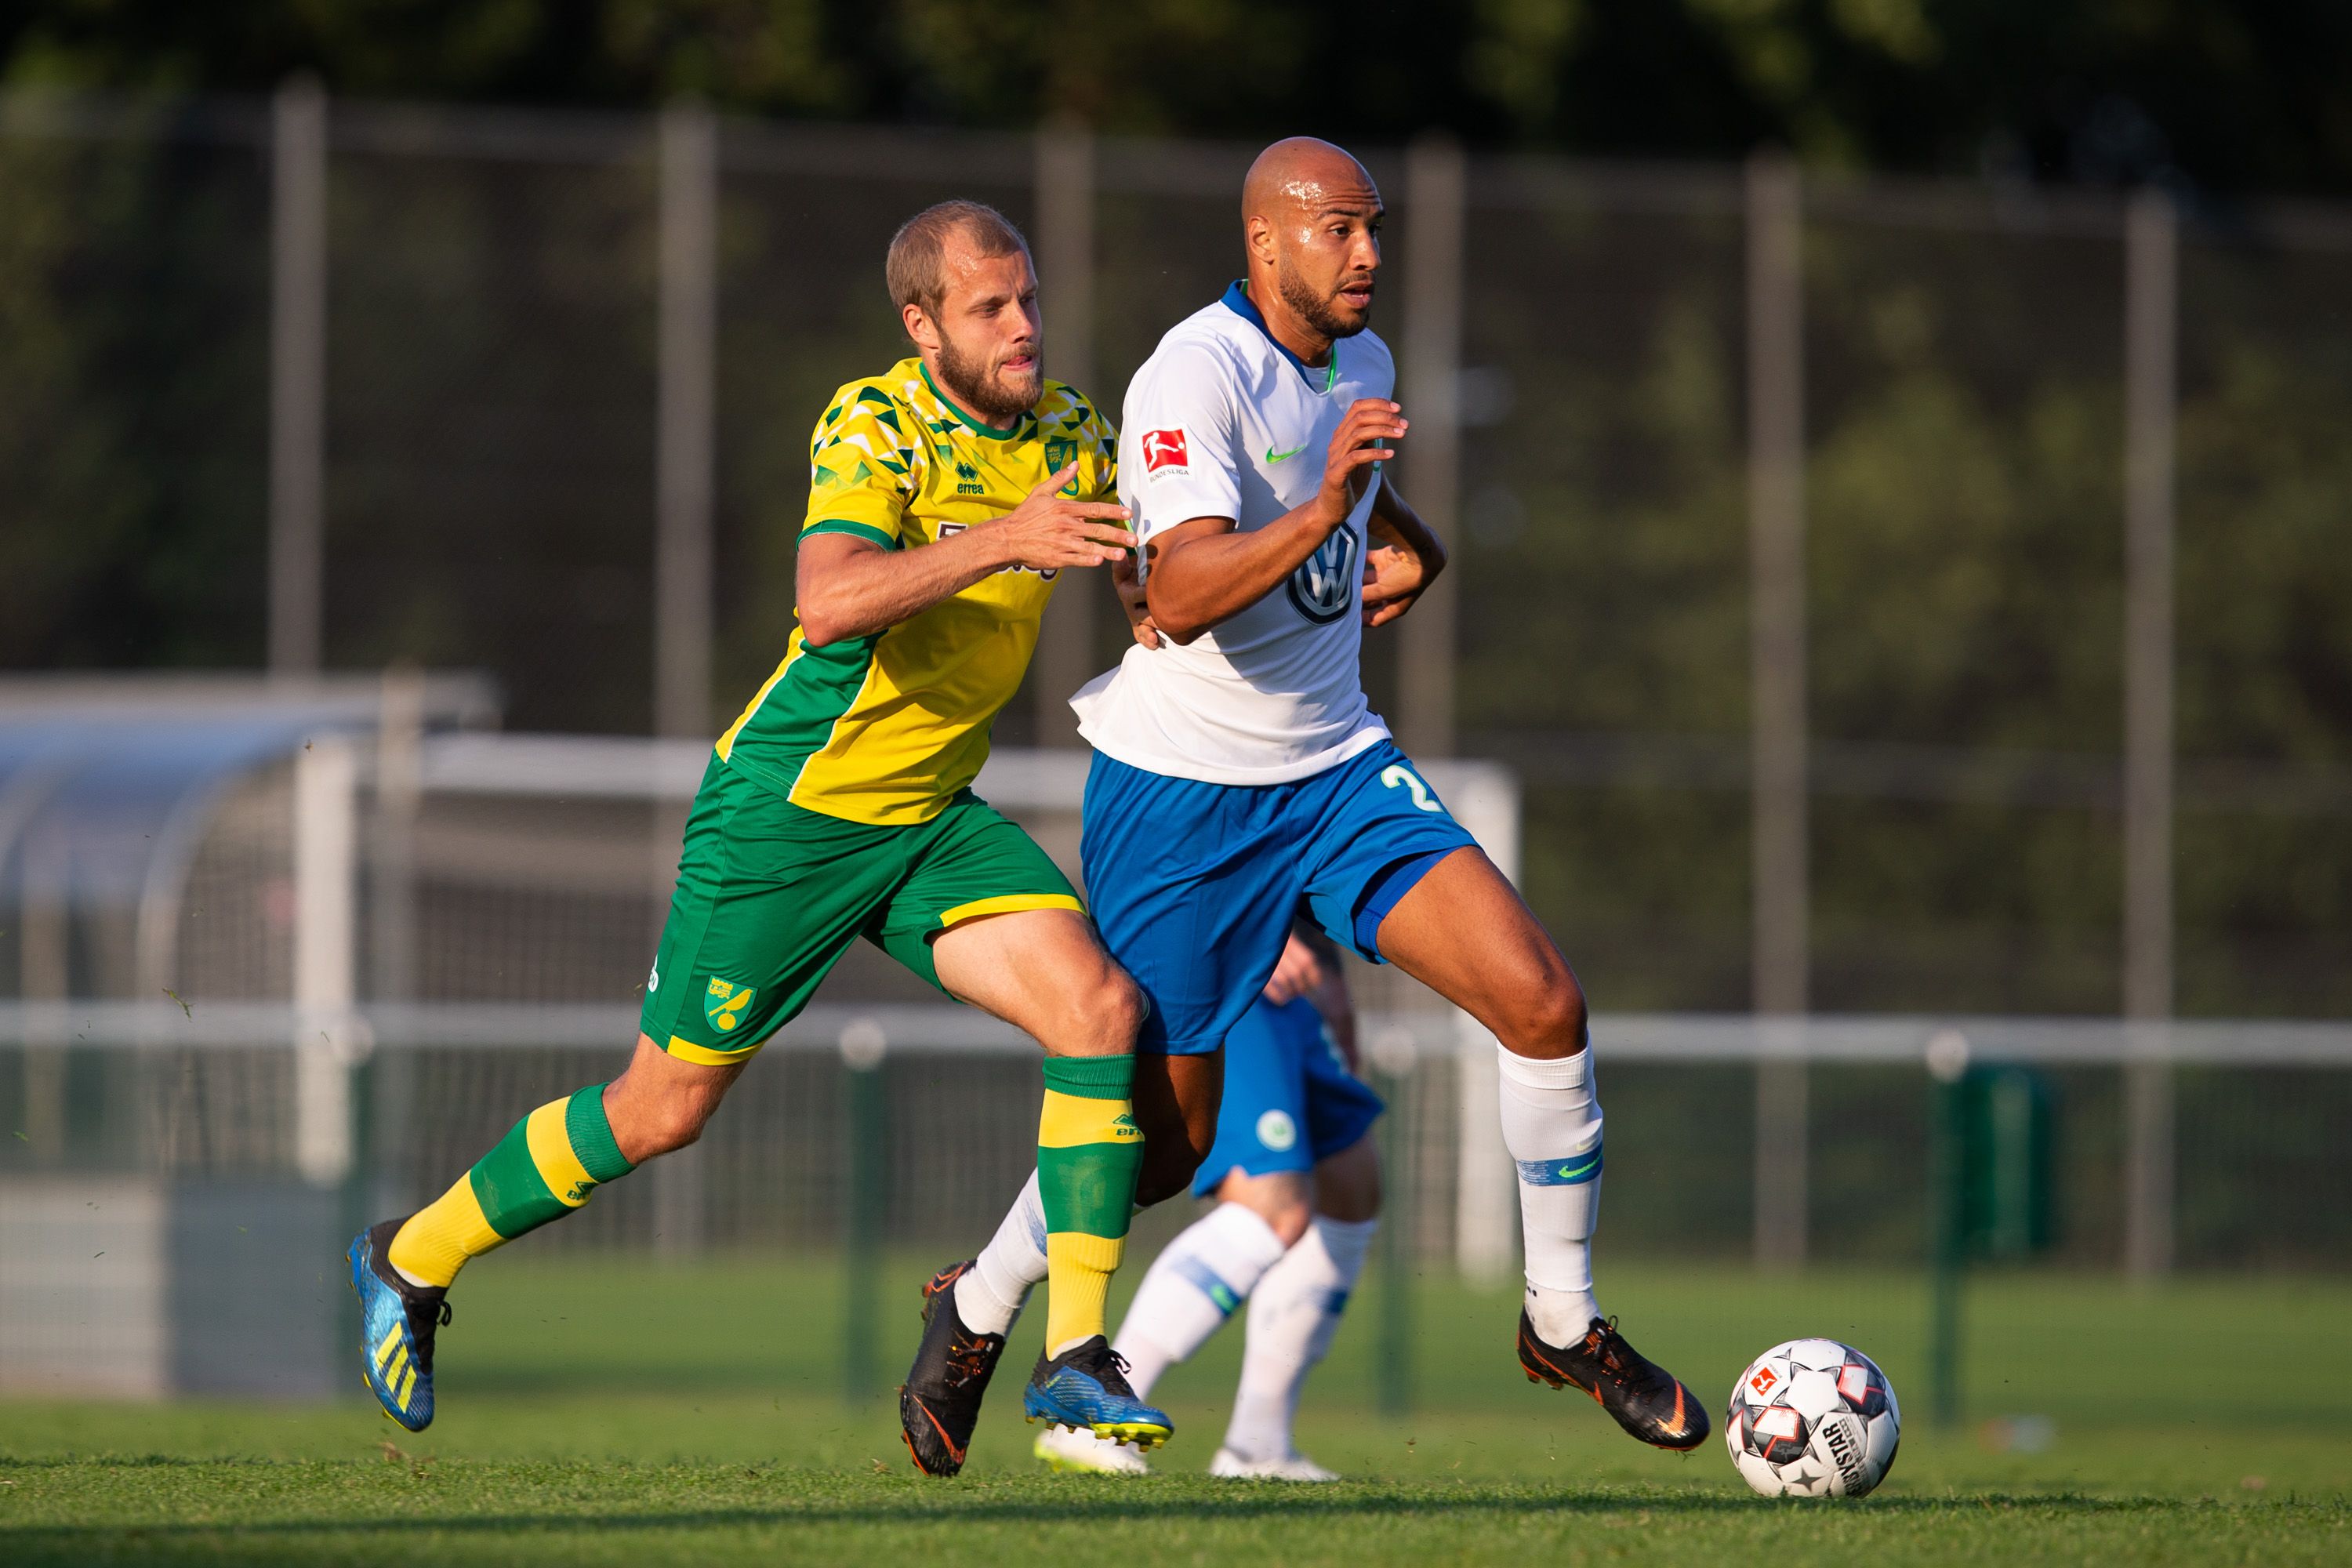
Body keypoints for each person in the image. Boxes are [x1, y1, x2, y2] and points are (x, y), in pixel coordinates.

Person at [346, 200, 1183, 1475]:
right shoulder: (877, 421)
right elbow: (829, 601)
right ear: (922, 325)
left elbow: (1143, 566)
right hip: (791, 815)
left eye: (1028, 298)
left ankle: (1072, 1355)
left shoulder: (1072, 428)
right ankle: (412, 1255)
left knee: (1101, 1010)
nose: (1024, 325)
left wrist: (1177, 590)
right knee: (661, 1112)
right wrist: (1004, 540)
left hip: (928, 820)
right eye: (989, 308)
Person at [948, 136, 1707, 1459]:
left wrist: (1410, 543)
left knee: (1543, 1002)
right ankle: (977, 1303)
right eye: (1339, 230)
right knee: (1165, 1152)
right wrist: (1323, 510)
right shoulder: (1192, 372)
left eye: (1375, 228)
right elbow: (1177, 593)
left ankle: (1562, 1317)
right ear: (1266, 243)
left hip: (1338, 769)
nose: (1367, 255)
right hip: (1185, 796)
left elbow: (1354, 499)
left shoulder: (1364, 361)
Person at [1035, 927, 1381, 1481]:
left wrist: (1333, 983)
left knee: (1351, 1183)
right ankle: (1091, 1422)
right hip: (1236, 969)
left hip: (1299, 990)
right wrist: (1264, 929)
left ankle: (1259, 1445)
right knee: (1273, 1205)